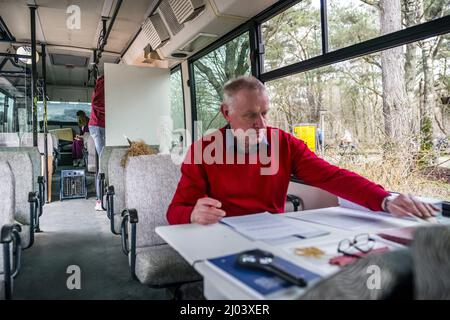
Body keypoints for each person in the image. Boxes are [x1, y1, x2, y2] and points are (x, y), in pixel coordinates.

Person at [167, 76, 440, 225]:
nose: (261, 124)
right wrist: (192, 214)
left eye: (265, 113)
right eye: (251, 115)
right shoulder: (202, 150)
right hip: (221, 234)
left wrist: (385, 200)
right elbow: (175, 210)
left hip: (274, 233)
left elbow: (333, 177)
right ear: (226, 112)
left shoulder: (284, 143)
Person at [89, 75, 106, 211]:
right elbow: (96, 104)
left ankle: (104, 198)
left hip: (103, 124)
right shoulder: (103, 82)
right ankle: (100, 200)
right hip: (98, 125)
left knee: (106, 160)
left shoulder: (106, 82)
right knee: (103, 160)